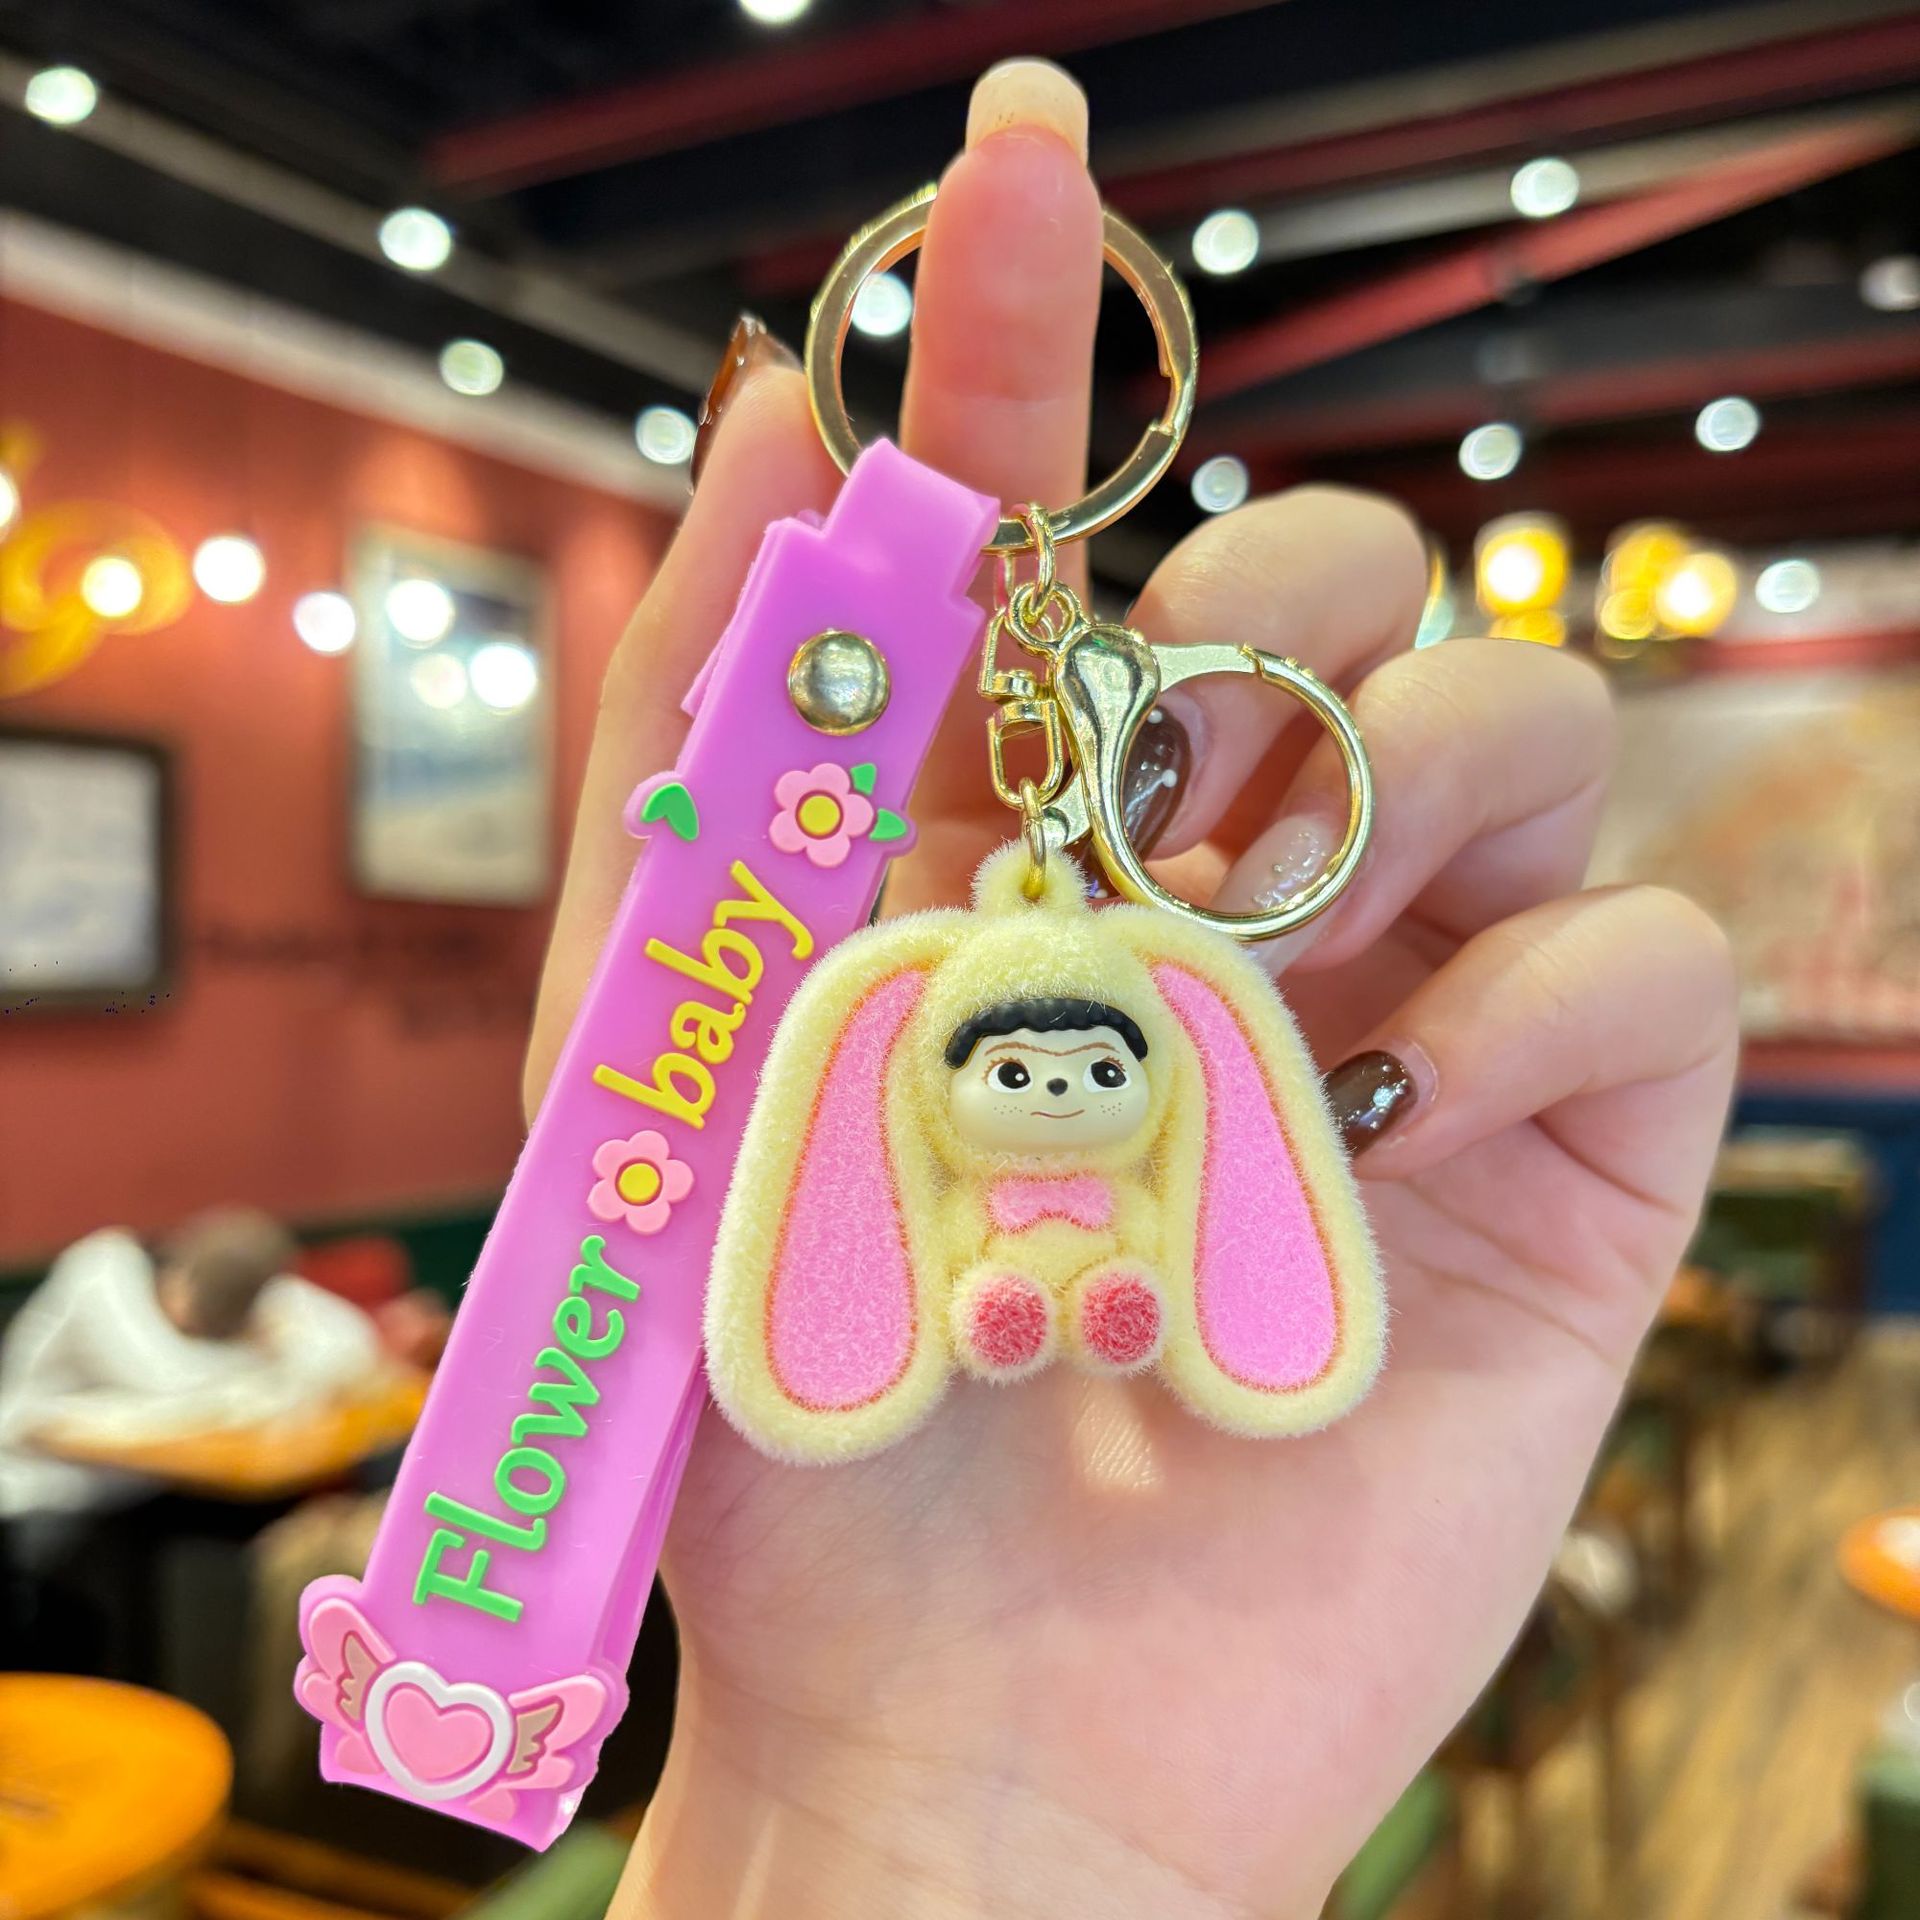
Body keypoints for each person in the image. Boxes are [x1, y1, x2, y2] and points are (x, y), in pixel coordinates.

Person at [527, 57, 1738, 1920]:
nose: (1053, 1084)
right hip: (978, 1301)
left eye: (1092, 1063)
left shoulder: (1201, 1068)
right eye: (1013, 1067)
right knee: (1017, 1277)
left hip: (1127, 1290)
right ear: (902, 1054)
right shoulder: (881, 1047)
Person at [0, 1206, 381, 1521]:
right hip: (38, 1487)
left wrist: (270, 1343)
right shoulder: (101, 1274)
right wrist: (263, 1360)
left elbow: (349, 1343)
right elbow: (174, 1381)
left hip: (142, 1485)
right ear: (181, 1275)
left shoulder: (240, 1292)